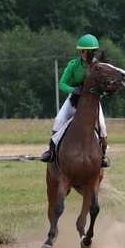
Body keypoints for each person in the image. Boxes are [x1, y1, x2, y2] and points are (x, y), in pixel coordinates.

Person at [39, 34, 110, 167]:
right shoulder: (73, 65)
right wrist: (73, 90)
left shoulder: (99, 66)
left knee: (103, 126)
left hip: (92, 101)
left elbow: (104, 86)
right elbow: (62, 84)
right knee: (59, 120)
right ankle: (51, 151)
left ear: (94, 52)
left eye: (88, 52)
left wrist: (105, 93)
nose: (85, 54)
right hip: (74, 98)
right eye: (82, 51)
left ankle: (102, 154)